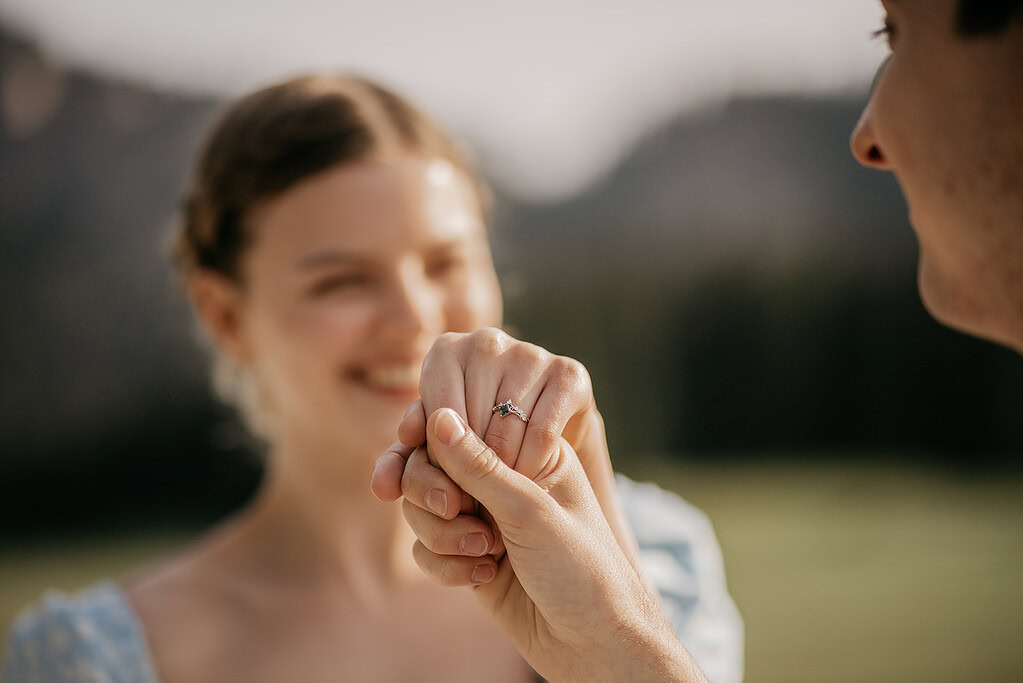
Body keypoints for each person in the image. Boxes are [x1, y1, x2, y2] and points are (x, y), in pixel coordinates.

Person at [1, 75, 742, 681]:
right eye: (342, 281)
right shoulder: (92, 661)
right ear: (225, 316)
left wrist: (616, 632)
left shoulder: (657, 559)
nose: (414, 318)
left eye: (445, 263)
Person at [374, 0, 1022, 679]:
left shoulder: (669, 549)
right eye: (339, 280)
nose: (865, 134)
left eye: (895, 34)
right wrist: (612, 637)